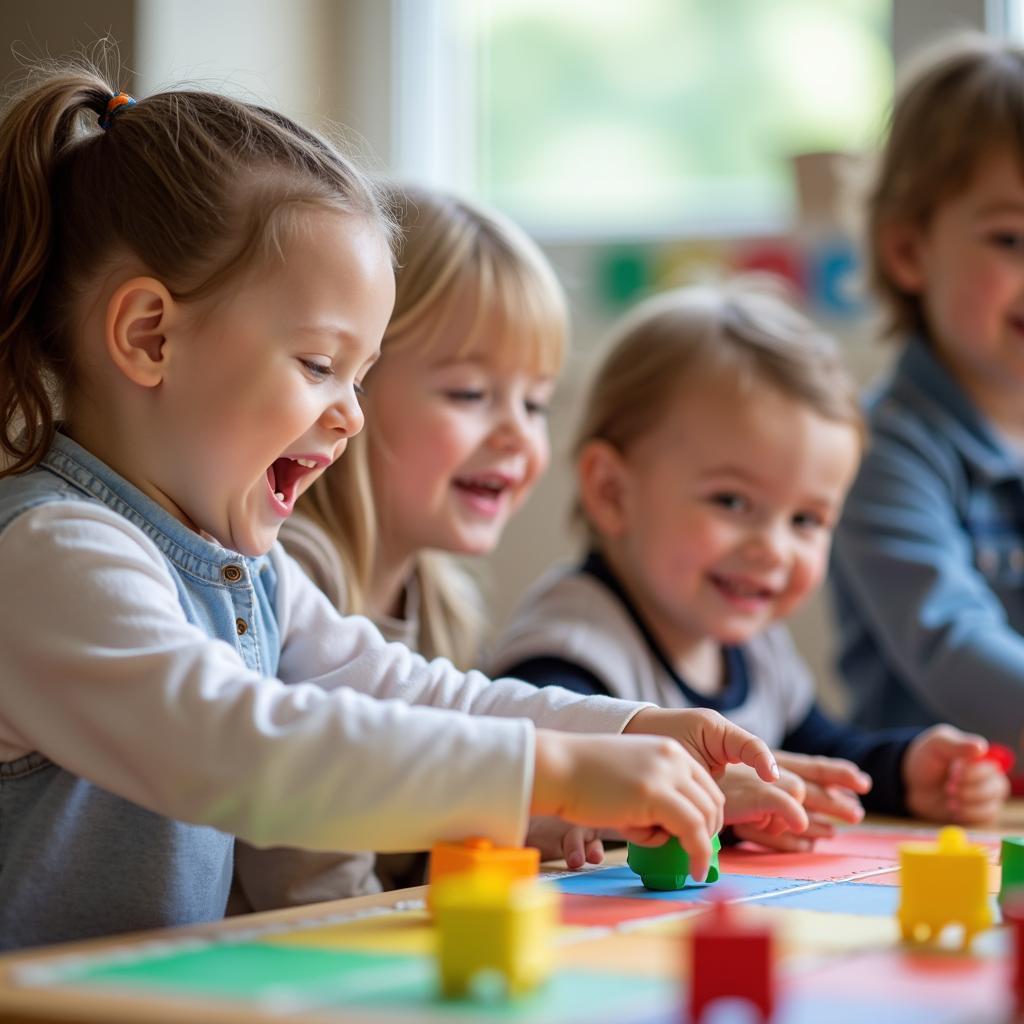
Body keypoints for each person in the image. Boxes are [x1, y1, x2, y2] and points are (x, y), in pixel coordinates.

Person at [0, 68, 784, 951]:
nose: (352, 415)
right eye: (317, 365)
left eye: (361, 376)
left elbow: (410, 694)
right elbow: (241, 750)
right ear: (150, 336)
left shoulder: (248, 568)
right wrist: (554, 771)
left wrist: (637, 729)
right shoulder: (49, 555)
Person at [492, 281, 1009, 849]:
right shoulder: (571, 645)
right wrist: (711, 800)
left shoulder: (754, 646)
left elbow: (819, 755)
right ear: (613, 492)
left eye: (806, 521)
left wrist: (902, 772)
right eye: (732, 502)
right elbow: (525, 789)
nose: (774, 549)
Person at [232, 183, 574, 908]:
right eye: (470, 394)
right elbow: (306, 879)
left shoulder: (443, 601)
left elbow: (413, 827)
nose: (518, 433)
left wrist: (517, 818)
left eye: (536, 403)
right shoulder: (293, 576)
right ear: (352, 387)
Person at [829, 33, 1024, 765]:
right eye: (1009, 238)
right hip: (918, 819)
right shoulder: (885, 446)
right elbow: (949, 640)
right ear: (909, 252)